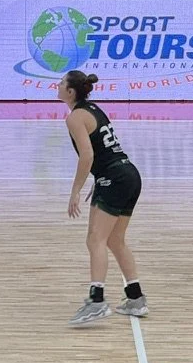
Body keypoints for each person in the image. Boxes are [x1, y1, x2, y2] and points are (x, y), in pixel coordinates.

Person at [59, 71, 147, 326]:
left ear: (71, 92)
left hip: (114, 177)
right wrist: (99, 178)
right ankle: (136, 298)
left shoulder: (75, 117)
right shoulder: (94, 108)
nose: (58, 85)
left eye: (62, 83)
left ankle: (97, 301)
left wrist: (76, 190)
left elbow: (87, 155)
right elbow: (104, 150)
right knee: (115, 240)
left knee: (95, 239)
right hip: (128, 174)